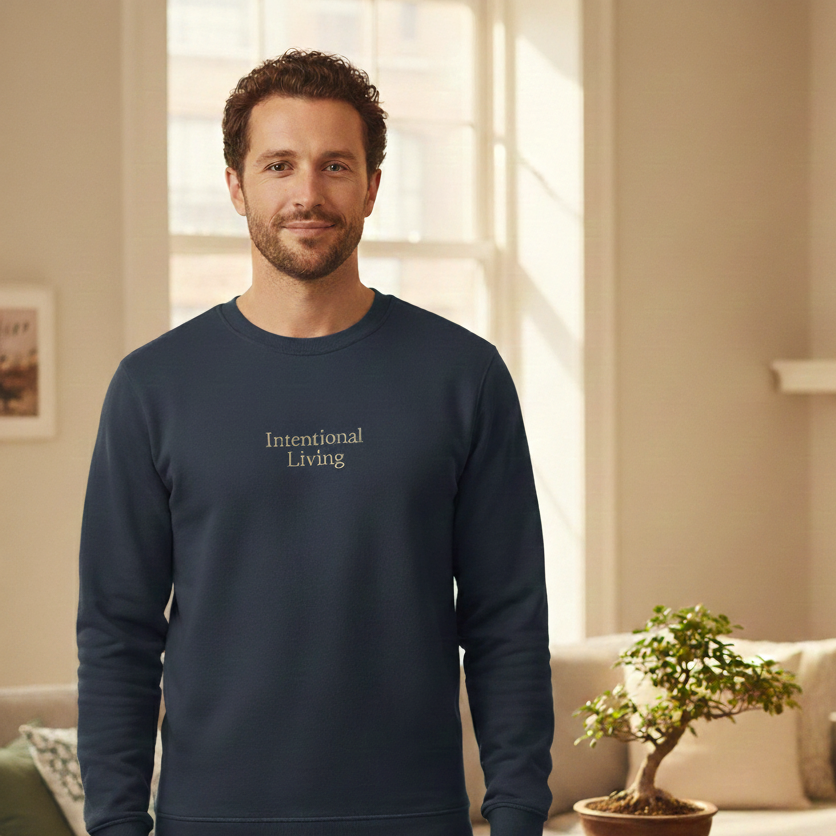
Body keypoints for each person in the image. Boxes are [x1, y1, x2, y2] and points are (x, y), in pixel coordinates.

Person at [76, 49, 554, 836]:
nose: (307, 193)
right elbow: (117, 634)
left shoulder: (464, 376)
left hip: (415, 816)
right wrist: (117, 825)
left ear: (371, 185)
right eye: (278, 165)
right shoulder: (152, 388)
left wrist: (517, 817)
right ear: (236, 186)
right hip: (211, 818)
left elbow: (507, 622)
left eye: (336, 165)